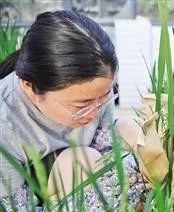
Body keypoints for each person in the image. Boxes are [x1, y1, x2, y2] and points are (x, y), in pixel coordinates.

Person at [0, 10, 140, 200]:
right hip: (34, 203)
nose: (95, 112)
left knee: (131, 130)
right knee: (82, 162)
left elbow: (105, 145)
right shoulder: (5, 124)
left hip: (82, 168)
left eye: (105, 96)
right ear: (30, 88)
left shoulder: (96, 93)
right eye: (83, 104)